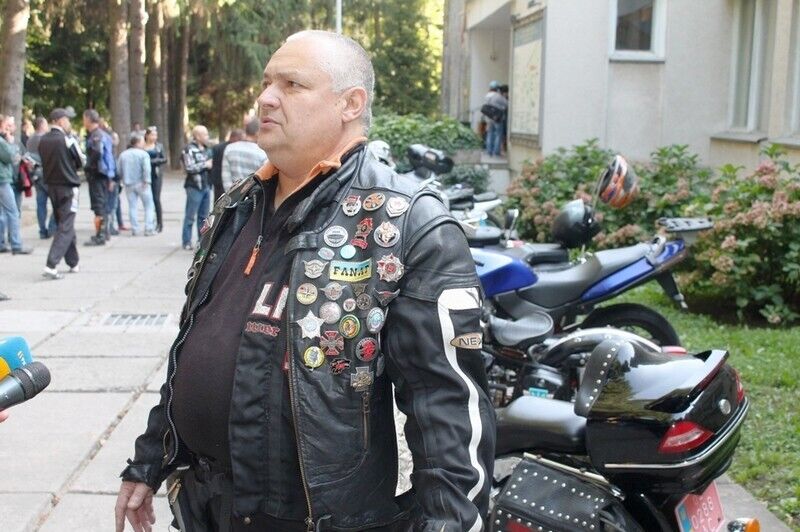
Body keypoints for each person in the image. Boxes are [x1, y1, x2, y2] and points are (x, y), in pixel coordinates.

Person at [116, 30, 494, 532]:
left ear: (350, 104)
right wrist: (150, 459)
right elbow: (194, 347)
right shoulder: (236, 206)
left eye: (292, 84)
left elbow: (447, 407)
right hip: (206, 506)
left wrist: (451, 523)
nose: (266, 98)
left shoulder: (407, 225)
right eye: (267, 82)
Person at [38, 108, 85, 280]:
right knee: (66, 225)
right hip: (68, 186)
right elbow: (81, 160)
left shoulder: (43, 140)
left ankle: (73, 261)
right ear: (59, 120)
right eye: (67, 120)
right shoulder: (67, 139)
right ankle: (51, 264)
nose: (69, 123)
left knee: (64, 223)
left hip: (52, 186)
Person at [83, 109, 116, 246]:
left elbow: (97, 152)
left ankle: (100, 235)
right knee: (102, 204)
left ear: (88, 119)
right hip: (104, 174)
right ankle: (104, 232)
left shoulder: (96, 136)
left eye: (84, 119)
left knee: (99, 205)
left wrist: (88, 166)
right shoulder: (104, 135)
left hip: (97, 174)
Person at [0, 115, 32, 255]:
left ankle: (1, 243)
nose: (8, 128)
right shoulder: (2, 142)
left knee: (2, 213)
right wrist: (11, 143)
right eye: (6, 125)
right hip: (2, 180)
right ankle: (16, 244)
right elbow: (10, 157)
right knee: (13, 211)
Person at [180, 125, 213, 250]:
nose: (207, 137)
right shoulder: (189, 149)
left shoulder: (207, 149)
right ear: (198, 136)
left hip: (206, 186)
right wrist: (205, 164)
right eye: (205, 134)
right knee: (190, 216)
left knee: (204, 217)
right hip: (194, 187)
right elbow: (189, 167)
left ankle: (201, 242)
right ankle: (186, 241)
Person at [117, 134, 156, 236]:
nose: (144, 143)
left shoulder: (123, 155)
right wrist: (147, 180)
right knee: (149, 206)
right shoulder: (143, 154)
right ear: (138, 142)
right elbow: (146, 169)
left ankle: (135, 228)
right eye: (142, 141)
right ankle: (149, 228)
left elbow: (119, 170)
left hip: (129, 184)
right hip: (142, 183)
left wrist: (121, 180)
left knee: (132, 207)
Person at [26, 116, 57, 239]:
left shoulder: (30, 140)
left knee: (40, 204)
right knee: (56, 202)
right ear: (42, 125)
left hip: (36, 175)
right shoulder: (46, 139)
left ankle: (42, 230)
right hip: (47, 174)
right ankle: (52, 227)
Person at [220, 119, 268, 193]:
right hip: (253, 197)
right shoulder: (263, 153)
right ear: (257, 132)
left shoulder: (229, 148)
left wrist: (232, 195)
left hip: (232, 196)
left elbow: (226, 178)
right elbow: (263, 181)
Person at [143, 127, 167, 233]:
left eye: (155, 135)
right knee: (147, 200)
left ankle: (159, 223)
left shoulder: (159, 146)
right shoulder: (142, 146)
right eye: (152, 135)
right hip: (145, 175)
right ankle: (149, 222)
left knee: (156, 199)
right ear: (147, 135)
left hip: (156, 174)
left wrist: (152, 161)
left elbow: (164, 159)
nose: (154, 137)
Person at [210, 129, 244, 203]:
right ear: (233, 137)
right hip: (220, 183)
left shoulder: (218, 147)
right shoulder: (226, 148)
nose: (240, 141)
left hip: (220, 182)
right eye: (240, 139)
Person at [483, 80, 508, 157]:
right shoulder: (498, 96)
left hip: (489, 117)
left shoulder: (487, 96)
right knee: (498, 134)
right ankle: (496, 152)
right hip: (497, 118)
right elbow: (506, 104)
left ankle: (489, 151)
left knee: (490, 133)